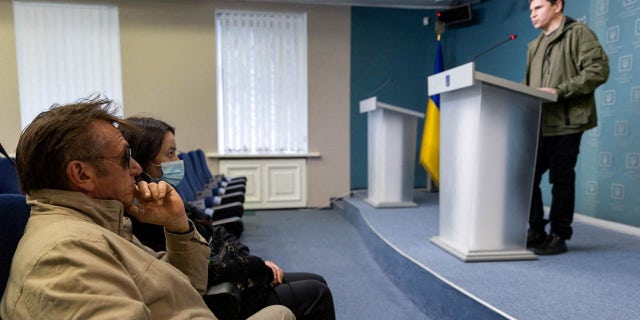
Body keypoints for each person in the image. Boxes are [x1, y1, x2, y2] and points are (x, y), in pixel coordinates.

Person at [0, 98, 294, 320]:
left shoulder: (103, 224)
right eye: (126, 157)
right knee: (283, 313)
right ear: (82, 175)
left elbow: (189, 287)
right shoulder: (66, 256)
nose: (138, 168)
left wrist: (178, 226)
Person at [120, 116, 336, 320]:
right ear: (141, 163)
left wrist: (247, 260)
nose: (178, 161)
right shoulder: (143, 217)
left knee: (317, 281)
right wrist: (258, 267)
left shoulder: (170, 198)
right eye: (170, 154)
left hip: (235, 276)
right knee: (316, 293)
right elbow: (197, 272)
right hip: (219, 299)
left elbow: (214, 230)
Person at [525, 0, 609, 255]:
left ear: (557, 5)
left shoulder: (578, 33)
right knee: (526, 177)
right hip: (538, 120)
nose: (533, 14)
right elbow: (529, 84)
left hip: (567, 120)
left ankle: (559, 235)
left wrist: (561, 91)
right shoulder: (534, 45)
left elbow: (598, 69)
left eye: (538, 8)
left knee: (561, 178)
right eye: (530, 10)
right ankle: (536, 229)